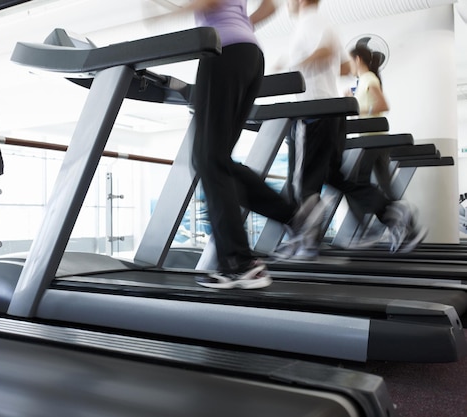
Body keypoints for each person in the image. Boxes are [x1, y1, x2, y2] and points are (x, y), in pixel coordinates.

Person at [172, 0, 327, 289]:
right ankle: (292, 216)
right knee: (216, 160)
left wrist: (170, 13)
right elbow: (270, 5)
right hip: (249, 54)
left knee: (209, 160)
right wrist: (243, 23)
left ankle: (240, 264)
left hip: (223, 51)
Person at [274, 0, 426, 259]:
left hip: (313, 112)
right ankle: (392, 212)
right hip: (333, 115)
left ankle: (304, 240)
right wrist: (321, 65)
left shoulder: (307, 22)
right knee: (335, 177)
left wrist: (293, 65)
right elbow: (344, 67)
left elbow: (325, 52)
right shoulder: (322, 24)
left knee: (301, 181)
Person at [348, 44, 396, 201]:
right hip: (371, 139)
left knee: (358, 180)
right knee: (385, 185)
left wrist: (358, 109)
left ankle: (385, 213)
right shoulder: (362, 81)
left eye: (350, 61)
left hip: (374, 139)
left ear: (357, 59)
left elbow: (383, 105)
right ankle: (406, 222)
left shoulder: (369, 78)